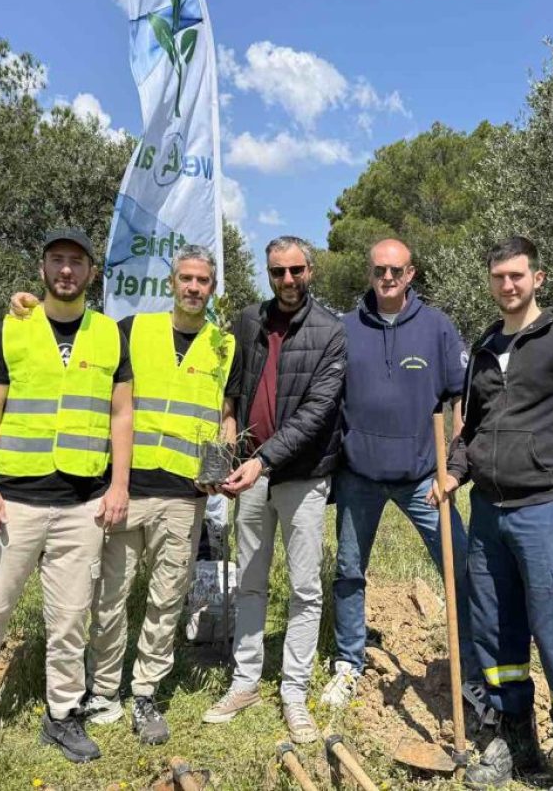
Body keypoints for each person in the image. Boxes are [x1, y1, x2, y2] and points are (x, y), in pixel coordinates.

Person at [9, 245, 240, 745]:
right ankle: (104, 691)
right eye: (186, 278)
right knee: (109, 598)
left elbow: (226, 414)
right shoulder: (132, 330)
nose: (193, 287)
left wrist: (220, 465)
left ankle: (146, 692)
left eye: (202, 280)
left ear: (212, 287)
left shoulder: (224, 345)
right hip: (127, 490)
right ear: (172, 282)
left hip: (185, 496)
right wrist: (30, 305)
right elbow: (80, 342)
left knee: (167, 598)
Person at [0, 228, 132, 791]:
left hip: (82, 505)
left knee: (70, 621)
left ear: (91, 272)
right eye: (57, 260)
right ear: (43, 268)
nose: (66, 270)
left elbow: (121, 414)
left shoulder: (108, 334)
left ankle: (62, 715)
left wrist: (118, 486)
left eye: (76, 261)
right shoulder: (12, 327)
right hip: (14, 504)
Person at [432, 236, 553, 790]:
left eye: (517, 275)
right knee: (495, 634)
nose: (508, 285)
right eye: (499, 277)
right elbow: (472, 428)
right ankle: (515, 748)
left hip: (550, 511)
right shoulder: (484, 347)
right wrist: (454, 472)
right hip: (489, 514)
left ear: (538, 278)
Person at [321, 238, 481, 708]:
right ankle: (349, 663)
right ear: (369, 274)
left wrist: (453, 465)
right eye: (379, 270)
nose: (387, 277)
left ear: (411, 274)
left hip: (423, 479)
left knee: (459, 567)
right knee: (349, 571)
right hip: (359, 476)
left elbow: (460, 398)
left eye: (396, 270)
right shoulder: (345, 327)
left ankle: (472, 669)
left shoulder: (437, 327)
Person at [201, 235, 346, 744]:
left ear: (311, 271)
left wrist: (261, 461)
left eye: (295, 270)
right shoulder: (248, 321)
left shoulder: (330, 332)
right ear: (269, 274)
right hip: (249, 476)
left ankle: (294, 692)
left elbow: (316, 414)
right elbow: (231, 397)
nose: (287, 280)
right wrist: (225, 460)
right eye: (278, 271)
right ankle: (245, 682)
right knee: (250, 582)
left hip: (301, 477)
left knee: (305, 588)